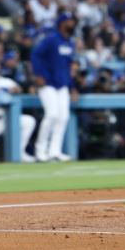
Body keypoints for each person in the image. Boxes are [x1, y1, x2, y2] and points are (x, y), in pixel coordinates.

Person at [30, 12, 77, 161]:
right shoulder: (51, 39)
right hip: (48, 83)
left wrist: (72, 86)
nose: (72, 24)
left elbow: (68, 66)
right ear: (61, 23)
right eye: (69, 21)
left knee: (63, 117)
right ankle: (40, 151)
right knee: (52, 115)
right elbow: (35, 54)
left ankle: (54, 151)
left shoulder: (70, 42)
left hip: (62, 84)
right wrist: (39, 74)